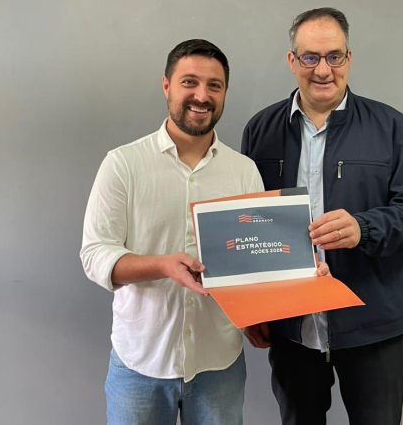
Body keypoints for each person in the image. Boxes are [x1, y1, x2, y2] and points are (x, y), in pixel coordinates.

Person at [241, 8, 403, 425]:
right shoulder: (260, 131)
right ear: (292, 61)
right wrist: (254, 310)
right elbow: (249, 226)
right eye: (310, 57)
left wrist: (363, 228)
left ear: (349, 57)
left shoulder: (393, 128)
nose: (323, 70)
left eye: (334, 56)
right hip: (292, 328)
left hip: (373, 326)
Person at [80, 39, 273, 425]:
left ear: (225, 93)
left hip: (219, 362)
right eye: (189, 82)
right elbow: (95, 254)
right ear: (167, 85)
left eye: (214, 86)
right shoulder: (123, 164)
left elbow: (255, 258)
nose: (202, 96)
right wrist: (163, 266)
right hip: (141, 362)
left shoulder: (243, 171)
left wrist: (290, 283)